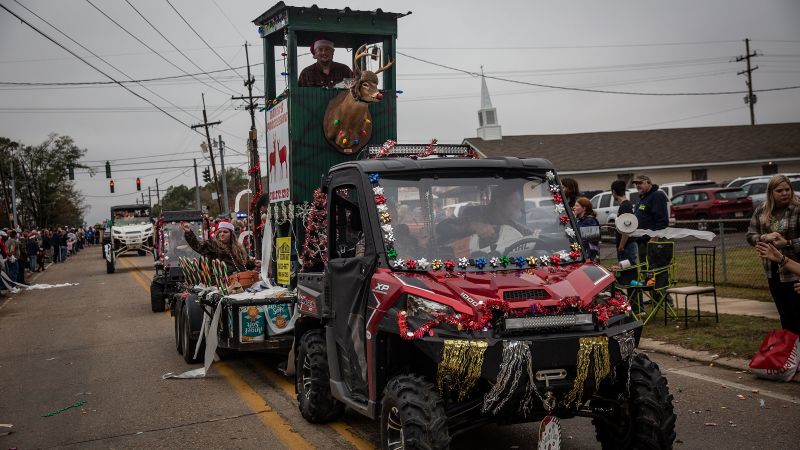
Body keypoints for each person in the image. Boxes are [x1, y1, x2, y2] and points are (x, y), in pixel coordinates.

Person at [747, 174, 800, 334]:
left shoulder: (797, 209)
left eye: (787, 189)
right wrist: (764, 237)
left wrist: (788, 243)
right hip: (773, 273)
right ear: (771, 193)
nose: (784, 193)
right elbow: (750, 235)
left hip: (795, 273)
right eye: (779, 190)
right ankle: (791, 354)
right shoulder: (762, 211)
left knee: (798, 317)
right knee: (785, 317)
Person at [181, 219, 258, 274]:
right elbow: (197, 246)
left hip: (240, 279)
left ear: (231, 235)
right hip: (222, 282)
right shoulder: (212, 245)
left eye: (225, 232)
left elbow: (243, 263)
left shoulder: (238, 247)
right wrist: (189, 232)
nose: (222, 234)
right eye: (220, 232)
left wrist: (254, 263)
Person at [632, 174, 669, 264]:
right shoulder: (642, 198)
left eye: (640, 183)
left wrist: (653, 239)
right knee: (645, 271)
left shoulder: (657, 195)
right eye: (636, 183)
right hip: (642, 242)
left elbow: (662, 221)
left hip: (653, 241)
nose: (637, 185)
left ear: (648, 183)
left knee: (655, 270)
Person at [611, 179, 638, 264]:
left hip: (627, 246)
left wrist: (621, 246)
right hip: (626, 246)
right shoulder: (625, 205)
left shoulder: (625, 206)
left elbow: (627, 228)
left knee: (629, 273)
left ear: (614, 192)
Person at [573, 197, 600, 262]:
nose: (574, 207)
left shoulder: (590, 221)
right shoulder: (578, 220)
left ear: (584, 208)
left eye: (577, 206)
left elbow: (592, 241)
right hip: (580, 254)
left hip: (589, 257)